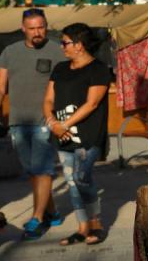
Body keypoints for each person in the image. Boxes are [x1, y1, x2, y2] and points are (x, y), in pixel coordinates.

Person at [0, 8, 66, 240]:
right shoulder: (10, 52)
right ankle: (52, 211)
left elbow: (68, 83)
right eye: (32, 28)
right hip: (18, 122)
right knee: (33, 171)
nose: (37, 32)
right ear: (23, 29)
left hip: (46, 120)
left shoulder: (57, 51)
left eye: (41, 27)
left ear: (46, 26)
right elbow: (0, 86)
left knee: (42, 169)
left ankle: (37, 218)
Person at [43, 23, 111, 246]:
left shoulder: (98, 69)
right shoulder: (60, 68)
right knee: (71, 182)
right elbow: (48, 100)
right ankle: (82, 228)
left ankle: (96, 223)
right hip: (62, 135)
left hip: (88, 136)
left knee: (82, 178)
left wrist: (64, 124)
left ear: (79, 45)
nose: (62, 46)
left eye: (65, 42)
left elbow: (92, 104)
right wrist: (53, 123)